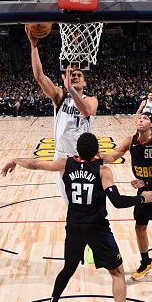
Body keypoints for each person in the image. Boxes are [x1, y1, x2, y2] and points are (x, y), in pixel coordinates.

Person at [1, 133, 152, 302]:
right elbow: (117, 201)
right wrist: (142, 199)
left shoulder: (65, 164)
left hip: (73, 227)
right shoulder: (103, 171)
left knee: (69, 267)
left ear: (77, 150)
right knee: (117, 272)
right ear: (95, 151)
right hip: (97, 228)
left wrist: (15, 160)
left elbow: (36, 164)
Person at [100, 112, 152, 287]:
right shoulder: (131, 140)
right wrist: (96, 154)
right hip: (143, 191)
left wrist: (146, 181)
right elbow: (113, 156)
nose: (141, 120)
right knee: (140, 228)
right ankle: (146, 262)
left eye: (145, 118)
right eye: (140, 118)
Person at [26, 28, 98, 202]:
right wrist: (34, 46)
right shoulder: (60, 97)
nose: (74, 76)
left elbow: (86, 111)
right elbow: (39, 77)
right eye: (72, 75)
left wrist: (70, 89)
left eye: (79, 75)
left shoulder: (91, 100)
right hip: (61, 157)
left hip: (83, 159)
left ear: (85, 81)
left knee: (84, 204)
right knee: (67, 204)